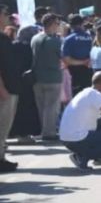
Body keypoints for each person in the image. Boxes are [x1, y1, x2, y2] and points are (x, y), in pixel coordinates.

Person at [30, 13, 65, 141]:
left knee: (42, 106)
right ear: (51, 24)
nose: (58, 26)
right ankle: (49, 133)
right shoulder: (55, 41)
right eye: (57, 23)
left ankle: (45, 130)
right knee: (52, 107)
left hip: (37, 77)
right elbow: (63, 56)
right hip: (53, 77)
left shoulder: (35, 38)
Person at [0, 26, 25, 171]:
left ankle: (2, 157)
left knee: (5, 128)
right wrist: (2, 89)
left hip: (11, 87)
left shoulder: (3, 37)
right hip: (5, 90)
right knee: (2, 127)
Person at [62, 14, 94, 95]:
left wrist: (82, 62)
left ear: (70, 25)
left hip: (74, 72)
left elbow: (66, 60)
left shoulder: (68, 39)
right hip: (88, 70)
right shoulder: (89, 37)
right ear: (82, 23)